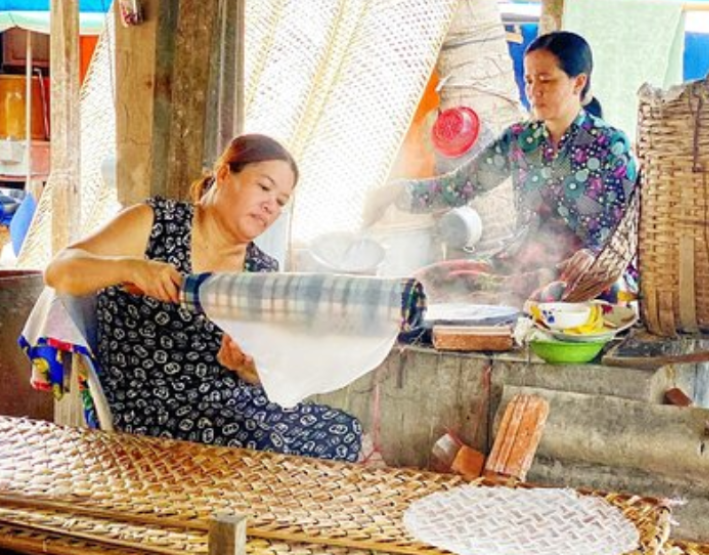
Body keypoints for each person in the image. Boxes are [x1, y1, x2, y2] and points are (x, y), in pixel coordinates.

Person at [45, 134, 362, 462]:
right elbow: (59, 270)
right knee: (260, 441)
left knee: (342, 431)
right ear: (224, 174)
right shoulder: (157, 223)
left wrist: (245, 367)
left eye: (281, 201)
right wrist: (131, 268)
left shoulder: (261, 271)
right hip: (148, 406)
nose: (271, 205)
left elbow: (261, 374)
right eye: (264, 187)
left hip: (228, 403)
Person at [364, 31, 638, 305]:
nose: (534, 90)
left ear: (578, 82)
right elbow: (459, 185)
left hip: (583, 272)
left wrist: (593, 253)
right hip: (518, 266)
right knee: (425, 282)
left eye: (546, 80)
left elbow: (625, 226)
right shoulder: (520, 140)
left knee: (553, 295)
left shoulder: (610, 145)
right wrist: (397, 192)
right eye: (529, 80)